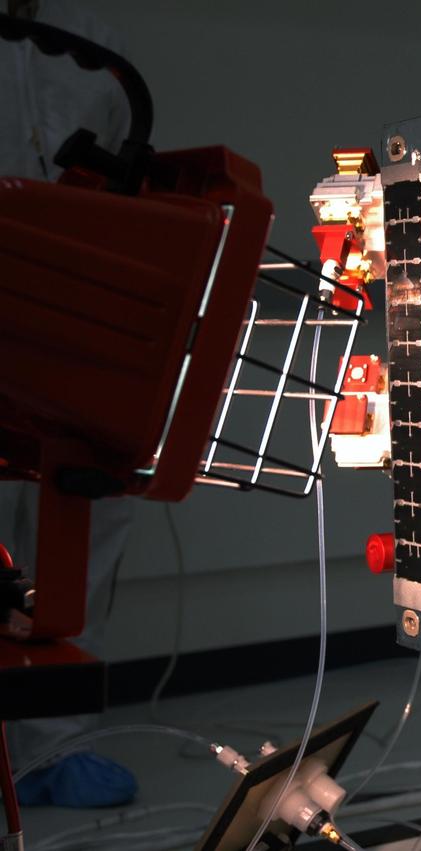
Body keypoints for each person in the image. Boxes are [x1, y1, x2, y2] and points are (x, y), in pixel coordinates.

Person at [0, 0, 139, 808]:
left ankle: (55, 751)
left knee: (78, 522)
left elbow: (129, 172)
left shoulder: (95, 33)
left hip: (74, 319)